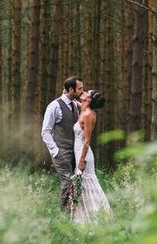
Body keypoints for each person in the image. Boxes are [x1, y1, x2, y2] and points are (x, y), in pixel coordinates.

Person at [41, 76, 84, 211]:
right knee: (68, 182)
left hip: (74, 152)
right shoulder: (54, 106)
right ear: (71, 90)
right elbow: (45, 132)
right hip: (61, 151)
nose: (82, 91)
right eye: (80, 88)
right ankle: (60, 214)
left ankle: (72, 213)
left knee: (76, 182)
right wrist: (55, 151)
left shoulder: (74, 104)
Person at [72, 89, 111, 223]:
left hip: (84, 154)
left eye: (87, 92)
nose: (84, 92)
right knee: (81, 184)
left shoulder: (88, 115)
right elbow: (79, 105)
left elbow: (87, 141)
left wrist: (82, 160)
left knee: (87, 185)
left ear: (89, 99)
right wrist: (69, 98)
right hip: (78, 151)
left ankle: (94, 218)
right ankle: (82, 217)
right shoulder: (85, 109)